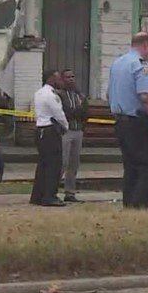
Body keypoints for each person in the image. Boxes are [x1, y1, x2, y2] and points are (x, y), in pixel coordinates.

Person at [108, 33, 148, 209]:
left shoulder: (117, 64)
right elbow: (146, 97)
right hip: (137, 121)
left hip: (120, 121)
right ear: (146, 45)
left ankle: (129, 203)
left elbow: (109, 94)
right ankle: (141, 205)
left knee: (130, 166)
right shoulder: (141, 66)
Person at [30, 69, 68, 207]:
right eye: (58, 78)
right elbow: (59, 114)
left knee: (43, 164)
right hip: (50, 130)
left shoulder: (38, 93)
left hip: (39, 129)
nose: (60, 81)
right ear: (51, 79)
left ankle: (37, 195)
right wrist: (65, 126)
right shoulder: (52, 96)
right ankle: (50, 196)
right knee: (54, 165)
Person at [57, 69, 88, 203]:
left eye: (73, 76)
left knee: (74, 164)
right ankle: (52, 189)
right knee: (62, 162)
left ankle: (70, 192)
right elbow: (66, 112)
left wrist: (80, 111)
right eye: (68, 77)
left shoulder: (79, 95)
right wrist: (78, 110)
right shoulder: (59, 95)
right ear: (63, 79)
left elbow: (86, 112)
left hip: (78, 130)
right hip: (66, 131)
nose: (71, 79)